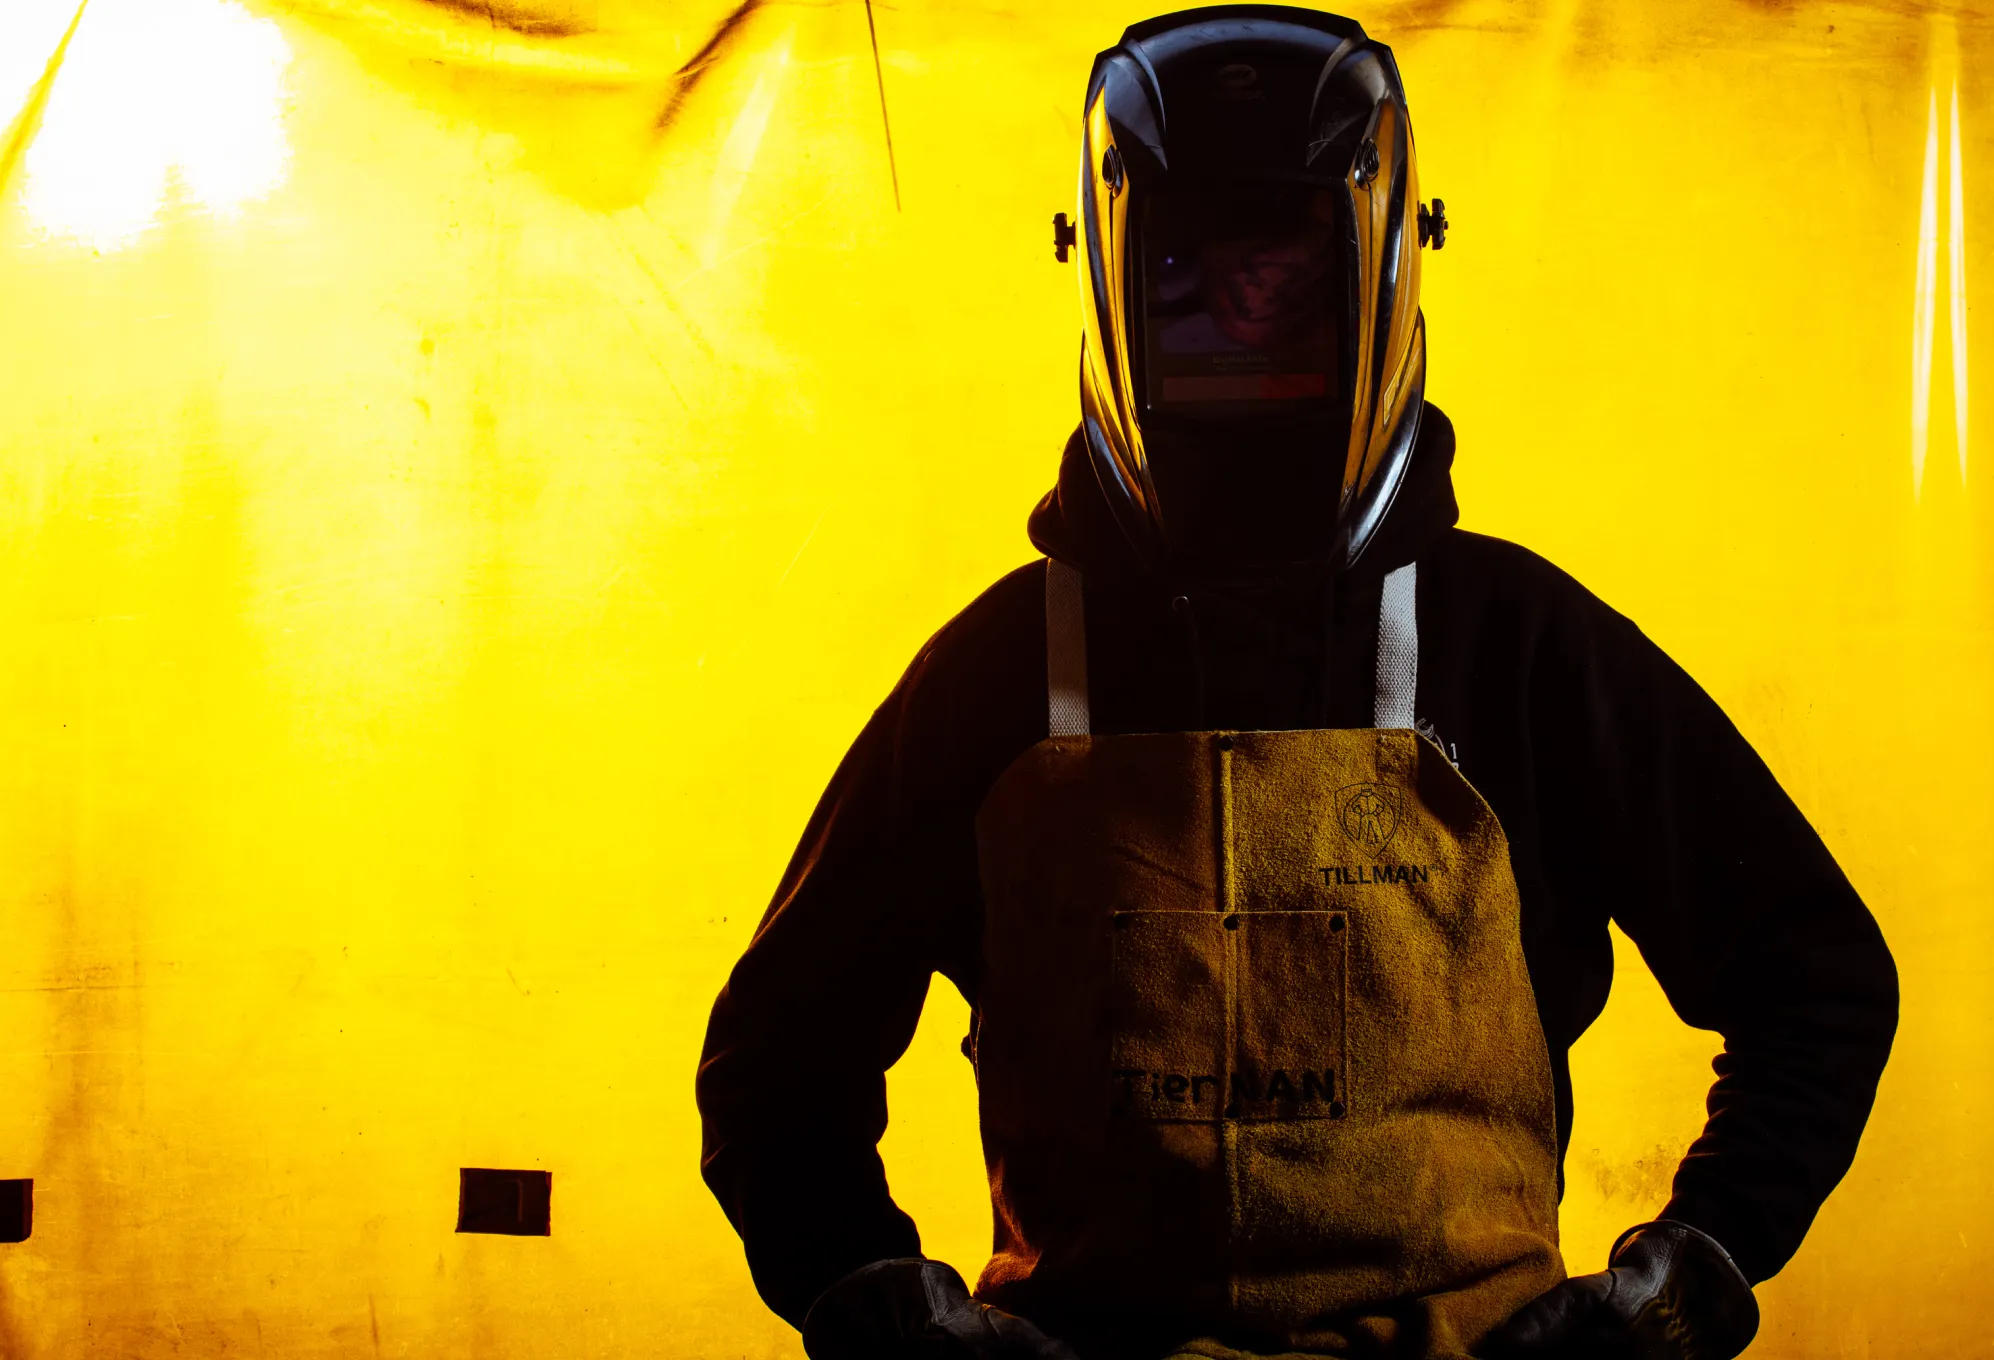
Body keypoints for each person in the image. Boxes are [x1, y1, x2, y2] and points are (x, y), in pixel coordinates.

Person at [696, 8, 1898, 1359]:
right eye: (1192, 280)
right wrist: (873, 1297)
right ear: (1104, 277)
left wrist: (1690, 1273)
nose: (1244, 330)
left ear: (1385, 271)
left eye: (1285, 280)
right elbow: (776, 1062)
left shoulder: (1517, 644)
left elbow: (1818, 976)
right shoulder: (1006, 674)